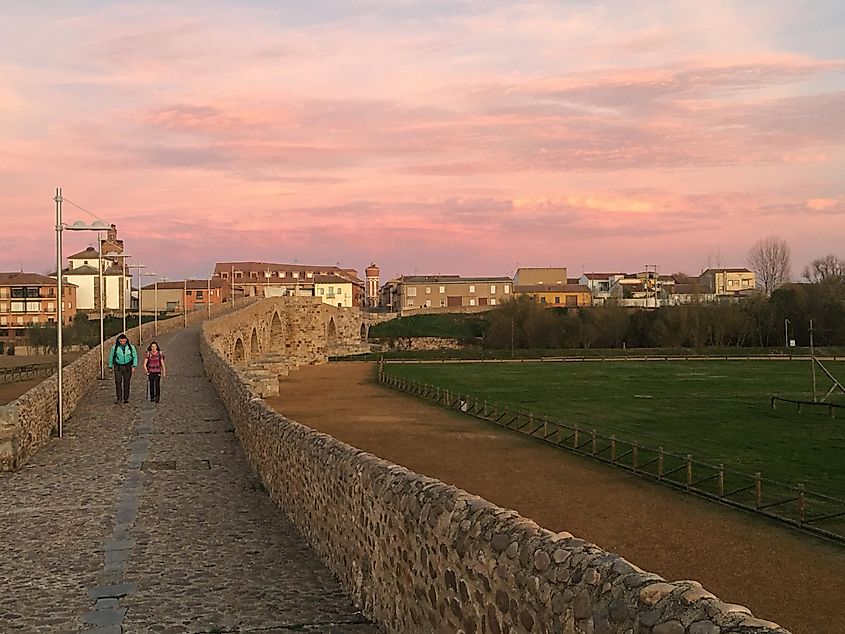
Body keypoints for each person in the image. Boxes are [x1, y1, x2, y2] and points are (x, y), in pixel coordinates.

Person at [108, 333, 138, 404]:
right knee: (118, 382)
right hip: (118, 366)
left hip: (127, 366)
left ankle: (126, 398)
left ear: (126, 340)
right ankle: (119, 398)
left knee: (126, 382)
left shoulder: (131, 347)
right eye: (121, 341)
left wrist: (134, 366)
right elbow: (111, 356)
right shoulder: (114, 348)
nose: (122, 343)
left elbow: (135, 356)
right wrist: (110, 365)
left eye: (123, 341)